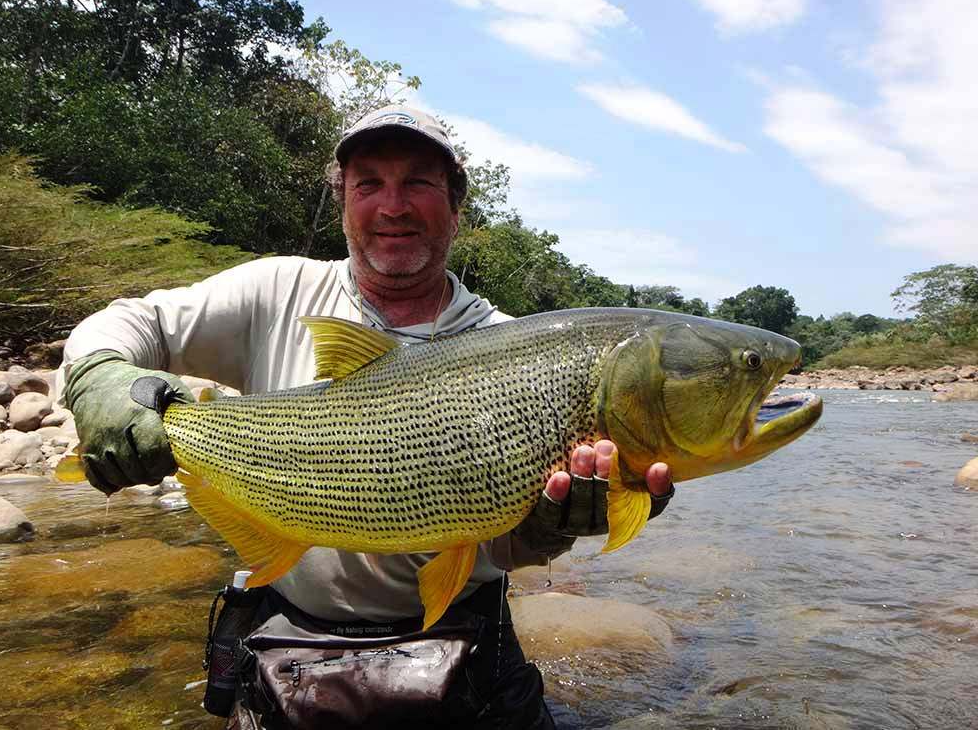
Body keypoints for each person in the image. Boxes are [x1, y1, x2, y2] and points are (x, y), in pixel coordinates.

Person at [59, 105, 673, 729]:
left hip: (462, 643)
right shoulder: (276, 293)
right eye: (369, 184)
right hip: (290, 640)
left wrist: (545, 534)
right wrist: (100, 380)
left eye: (418, 183)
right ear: (343, 201)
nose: (393, 206)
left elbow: (505, 541)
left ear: (456, 207)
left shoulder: (510, 348)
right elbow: (128, 321)